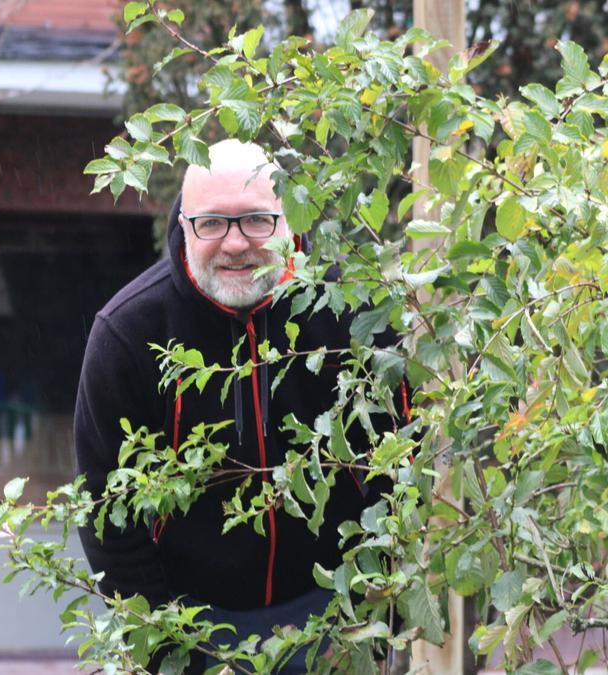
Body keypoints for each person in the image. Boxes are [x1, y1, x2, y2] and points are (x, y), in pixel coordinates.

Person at [74, 140, 405, 673]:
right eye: (211, 223)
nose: (234, 244)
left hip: (333, 616)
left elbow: (402, 467)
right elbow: (105, 510)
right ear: (183, 224)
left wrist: (376, 611)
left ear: (289, 221)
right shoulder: (129, 334)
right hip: (191, 623)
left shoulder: (355, 315)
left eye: (255, 220)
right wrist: (164, 643)